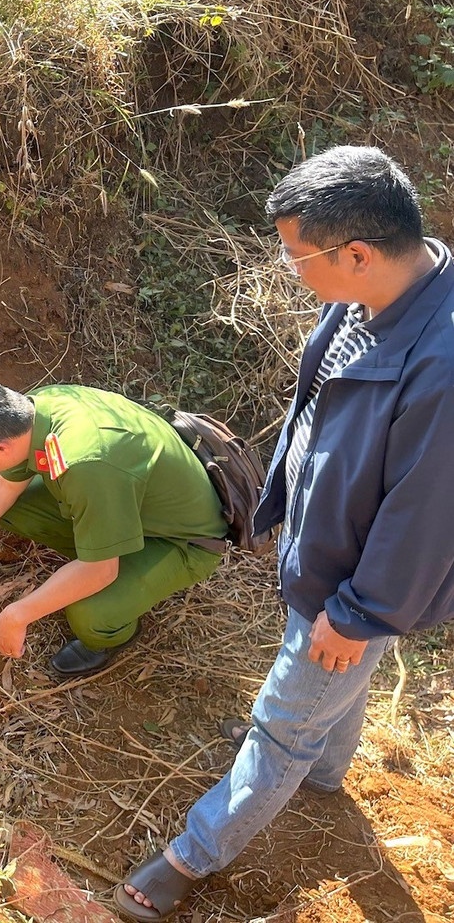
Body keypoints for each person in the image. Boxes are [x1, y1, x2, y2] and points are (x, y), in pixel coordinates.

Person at [116, 145, 454, 920]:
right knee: (336, 680)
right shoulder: (376, 296)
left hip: (357, 582)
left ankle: (192, 856)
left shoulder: (443, 365)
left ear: (357, 253)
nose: (290, 269)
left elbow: (427, 516)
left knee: (280, 727)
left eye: (297, 255)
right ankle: (325, 772)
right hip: (331, 553)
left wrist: (360, 613)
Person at [0, 377, 228, 676]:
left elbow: (101, 571)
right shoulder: (35, 410)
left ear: (1, 449)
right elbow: (4, 486)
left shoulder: (86, 463)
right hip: (129, 502)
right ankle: (101, 546)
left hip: (182, 540)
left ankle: (109, 637)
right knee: (16, 507)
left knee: (89, 612)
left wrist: (16, 615)